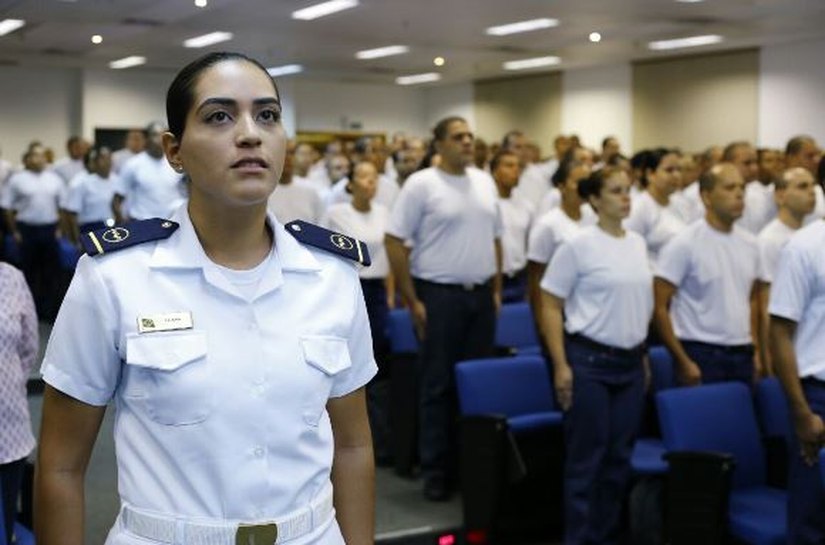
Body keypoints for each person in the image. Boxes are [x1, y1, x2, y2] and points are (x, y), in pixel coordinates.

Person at [35, 51, 376, 545]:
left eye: (268, 115)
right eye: (219, 116)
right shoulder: (116, 276)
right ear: (174, 150)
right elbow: (61, 466)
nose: (250, 134)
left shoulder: (331, 275)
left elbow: (353, 446)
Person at [385, 115, 502, 501]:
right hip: (439, 295)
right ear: (439, 144)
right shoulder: (422, 184)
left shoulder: (484, 181)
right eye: (458, 136)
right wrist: (411, 298)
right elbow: (394, 241)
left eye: (470, 135)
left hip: (480, 296)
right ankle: (436, 470)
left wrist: (496, 290)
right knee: (437, 386)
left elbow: (496, 238)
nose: (467, 142)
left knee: (476, 384)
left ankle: (470, 469)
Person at [540, 166, 652, 545]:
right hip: (590, 362)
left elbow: (637, 305)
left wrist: (643, 356)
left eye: (628, 190)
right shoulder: (578, 245)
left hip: (630, 362)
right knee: (587, 459)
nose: (625, 198)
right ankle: (578, 537)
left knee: (619, 459)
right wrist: (560, 364)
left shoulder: (637, 243)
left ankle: (605, 535)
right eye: (616, 191)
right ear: (594, 199)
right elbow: (550, 304)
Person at [654, 163, 761, 386]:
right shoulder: (684, 243)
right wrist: (682, 360)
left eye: (742, 188)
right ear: (706, 197)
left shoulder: (751, 244)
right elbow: (659, 306)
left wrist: (756, 348)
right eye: (729, 188)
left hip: (742, 351)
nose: (739, 194)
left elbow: (752, 300)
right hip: (700, 351)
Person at [323, 160, 393, 466]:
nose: (370, 182)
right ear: (350, 183)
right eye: (364, 177)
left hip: (377, 290)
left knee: (377, 366)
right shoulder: (336, 213)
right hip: (348, 287)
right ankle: (341, 438)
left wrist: (390, 293)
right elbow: (324, 255)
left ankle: (380, 441)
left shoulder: (384, 212)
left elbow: (388, 255)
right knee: (348, 366)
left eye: (374, 177)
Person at [769, 213, 825, 545]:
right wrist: (801, 412)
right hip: (818, 396)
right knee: (811, 518)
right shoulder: (804, 246)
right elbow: (779, 332)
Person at [526, 159, 594, 344]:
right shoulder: (548, 224)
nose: (583, 188)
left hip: (586, 305)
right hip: (558, 306)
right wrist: (542, 321)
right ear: (562, 187)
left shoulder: (593, 217)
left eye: (587, 182)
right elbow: (535, 278)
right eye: (578, 182)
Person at [1, 144, 64, 321]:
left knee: (50, 272)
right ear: (27, 160)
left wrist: (59, 229)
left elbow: (62, 206)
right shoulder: (17, 180)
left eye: (42, 156)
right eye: (34, 156)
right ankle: (28, 311)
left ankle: (49, 312)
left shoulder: (54, 179)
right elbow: (7, 208)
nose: (39, 159)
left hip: (50, 229)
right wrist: (14, 231)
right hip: (26, 229)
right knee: (29, 272)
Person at [0, 262, 38, 544]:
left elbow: (29, 348)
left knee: (6, 520)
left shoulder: (11, 278)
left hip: (9, 430)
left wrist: (8, 385)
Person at [112, 121, 185, 223]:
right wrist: (122, 224)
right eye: (155, 135)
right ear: (147, 139)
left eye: (163, 135)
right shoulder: (133, 164)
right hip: (143, 223)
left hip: (171, 222)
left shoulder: (175, 163)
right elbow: (116, 200)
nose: (159, 139)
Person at [624, 148, 687, 262]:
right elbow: (628, 250)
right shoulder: (638, 208)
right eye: (669, 170)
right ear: (650, 174)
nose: (676, 175)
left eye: (679, 169)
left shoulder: (680, 203)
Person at [491, 150, 533, 302]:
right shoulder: (487, 205)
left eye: (518, 166)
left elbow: (529, 246)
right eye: (509, 166)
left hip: (520, 279)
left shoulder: (526, 206)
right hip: (493, 279)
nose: (516, 171)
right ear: (495, 172)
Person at [63, 145, 119, 244]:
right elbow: (72, 214)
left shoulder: (117, 180)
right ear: (95, 162)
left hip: (113, 227)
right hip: (90, 228)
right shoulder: (82, 183)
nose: (107, 162)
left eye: (109, 158)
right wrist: (77, 240)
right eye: (103, 159)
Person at [267, 147, 324, 224]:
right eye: (281, 153)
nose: (287, 158)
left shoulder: (310, 189)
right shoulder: (264, 192)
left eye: (291, 153)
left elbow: (321, 222)